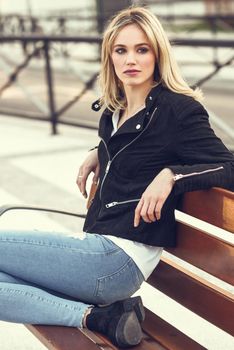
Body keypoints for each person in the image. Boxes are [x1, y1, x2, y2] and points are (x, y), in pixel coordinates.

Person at [0, 6, 233, 349]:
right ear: (109, 57)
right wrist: (101, 150)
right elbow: (136, 147)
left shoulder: (177, 111)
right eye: (120, 50)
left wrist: (172, 175)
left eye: (142, 49)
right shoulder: (113, 110)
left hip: (117, 260)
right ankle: (100, 318)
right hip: (97, 248)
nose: (131, 60)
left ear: (157, 54)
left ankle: (99, 315)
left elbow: (228, 165)